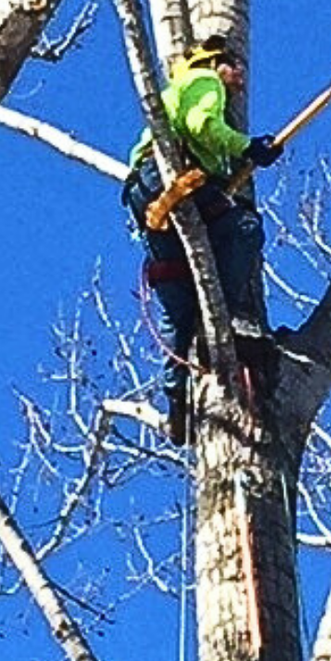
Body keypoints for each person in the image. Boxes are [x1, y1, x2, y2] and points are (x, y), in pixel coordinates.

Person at [123, 36, 283, 444]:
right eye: (236, 68)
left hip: (148, 198)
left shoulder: (176, 91)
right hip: (172, 178)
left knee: (179, 312)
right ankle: (224, 327)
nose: (239, 78)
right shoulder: (202, 80)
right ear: (218, 63)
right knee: (245, 230)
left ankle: (177, 400)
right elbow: (203, 125)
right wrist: (248, 145)